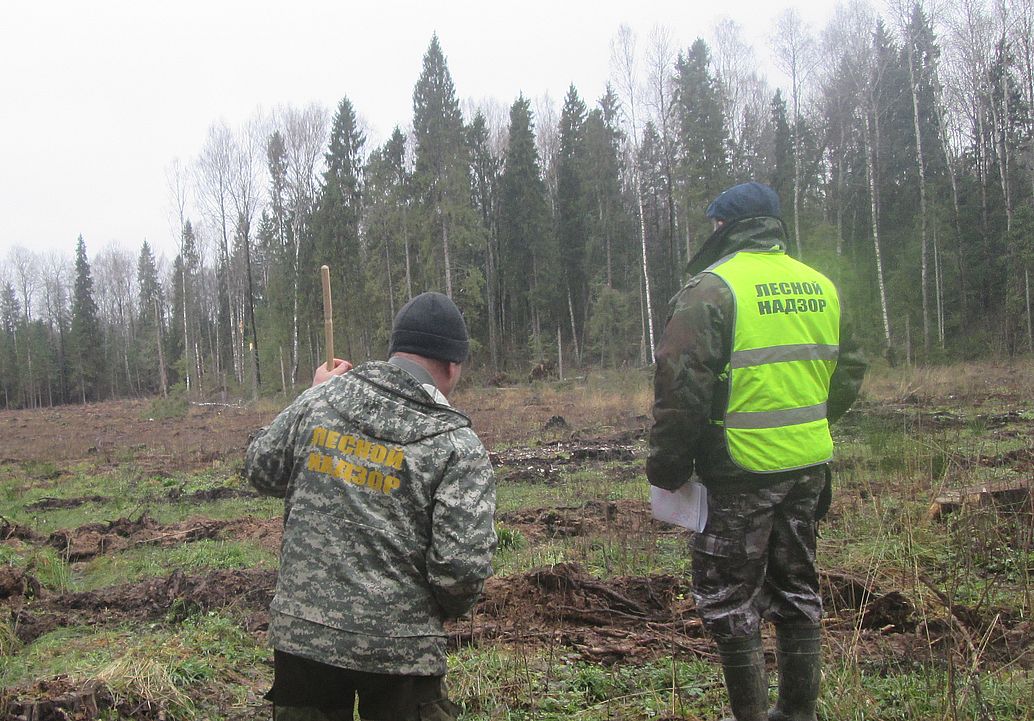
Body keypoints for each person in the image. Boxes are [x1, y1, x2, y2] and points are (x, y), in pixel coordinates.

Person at [646, 182, 866, 721]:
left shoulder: (714, 290)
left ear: (723, 226)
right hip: (809, 465)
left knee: (727, 599)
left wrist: (669, 466)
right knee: (798, 590)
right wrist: (807, 418)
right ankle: (797, 714)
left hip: (738, 470)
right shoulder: (822, 286)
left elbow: (681, 388)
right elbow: (850, 369)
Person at [245, 291, 497, 721]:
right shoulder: (458, 446)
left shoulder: (319, 402)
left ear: (395, 349)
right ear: (454, 364)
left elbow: (260, 469)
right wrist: (430, 614)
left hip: (306, 639)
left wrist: (312, 398)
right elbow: (460, 571)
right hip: (402, 650)